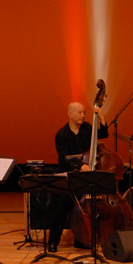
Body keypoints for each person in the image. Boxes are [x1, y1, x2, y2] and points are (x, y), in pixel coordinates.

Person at [49, 101, 108, 251]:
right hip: (68, 176)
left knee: (84, 209)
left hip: (84, 177)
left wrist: (101, 117)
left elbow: (103, 134)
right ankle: (53, 242)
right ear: (70, 114)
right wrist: (81, 165)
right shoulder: (61, 134)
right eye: (79, 112)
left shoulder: (87, 128)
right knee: (61, 208)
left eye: (84, 112)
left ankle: (81, 240)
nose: (83, 115)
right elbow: (64, 158)